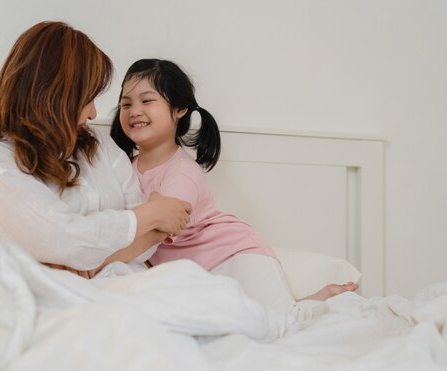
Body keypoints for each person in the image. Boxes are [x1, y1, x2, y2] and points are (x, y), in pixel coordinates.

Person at [110, 59, 358, 321]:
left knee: (282, 320)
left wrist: (94, 264)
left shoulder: (182, 173)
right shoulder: (124, 168)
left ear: (179, 108)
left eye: (147, 101)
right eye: (126, 104)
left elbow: (152, 233)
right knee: (250, 320)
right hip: (194, 272)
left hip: (231, 254)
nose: (134, 111)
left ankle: (332, 298)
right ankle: (311, 301)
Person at [0, 22, 192, 277]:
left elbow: (149, 238)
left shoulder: (98, 144)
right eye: (87, 99)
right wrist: (151, 213)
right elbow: (62, 237)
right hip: (39, 302)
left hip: (118, 287)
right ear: (54, 96)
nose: (93, 113)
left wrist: (93, 260)